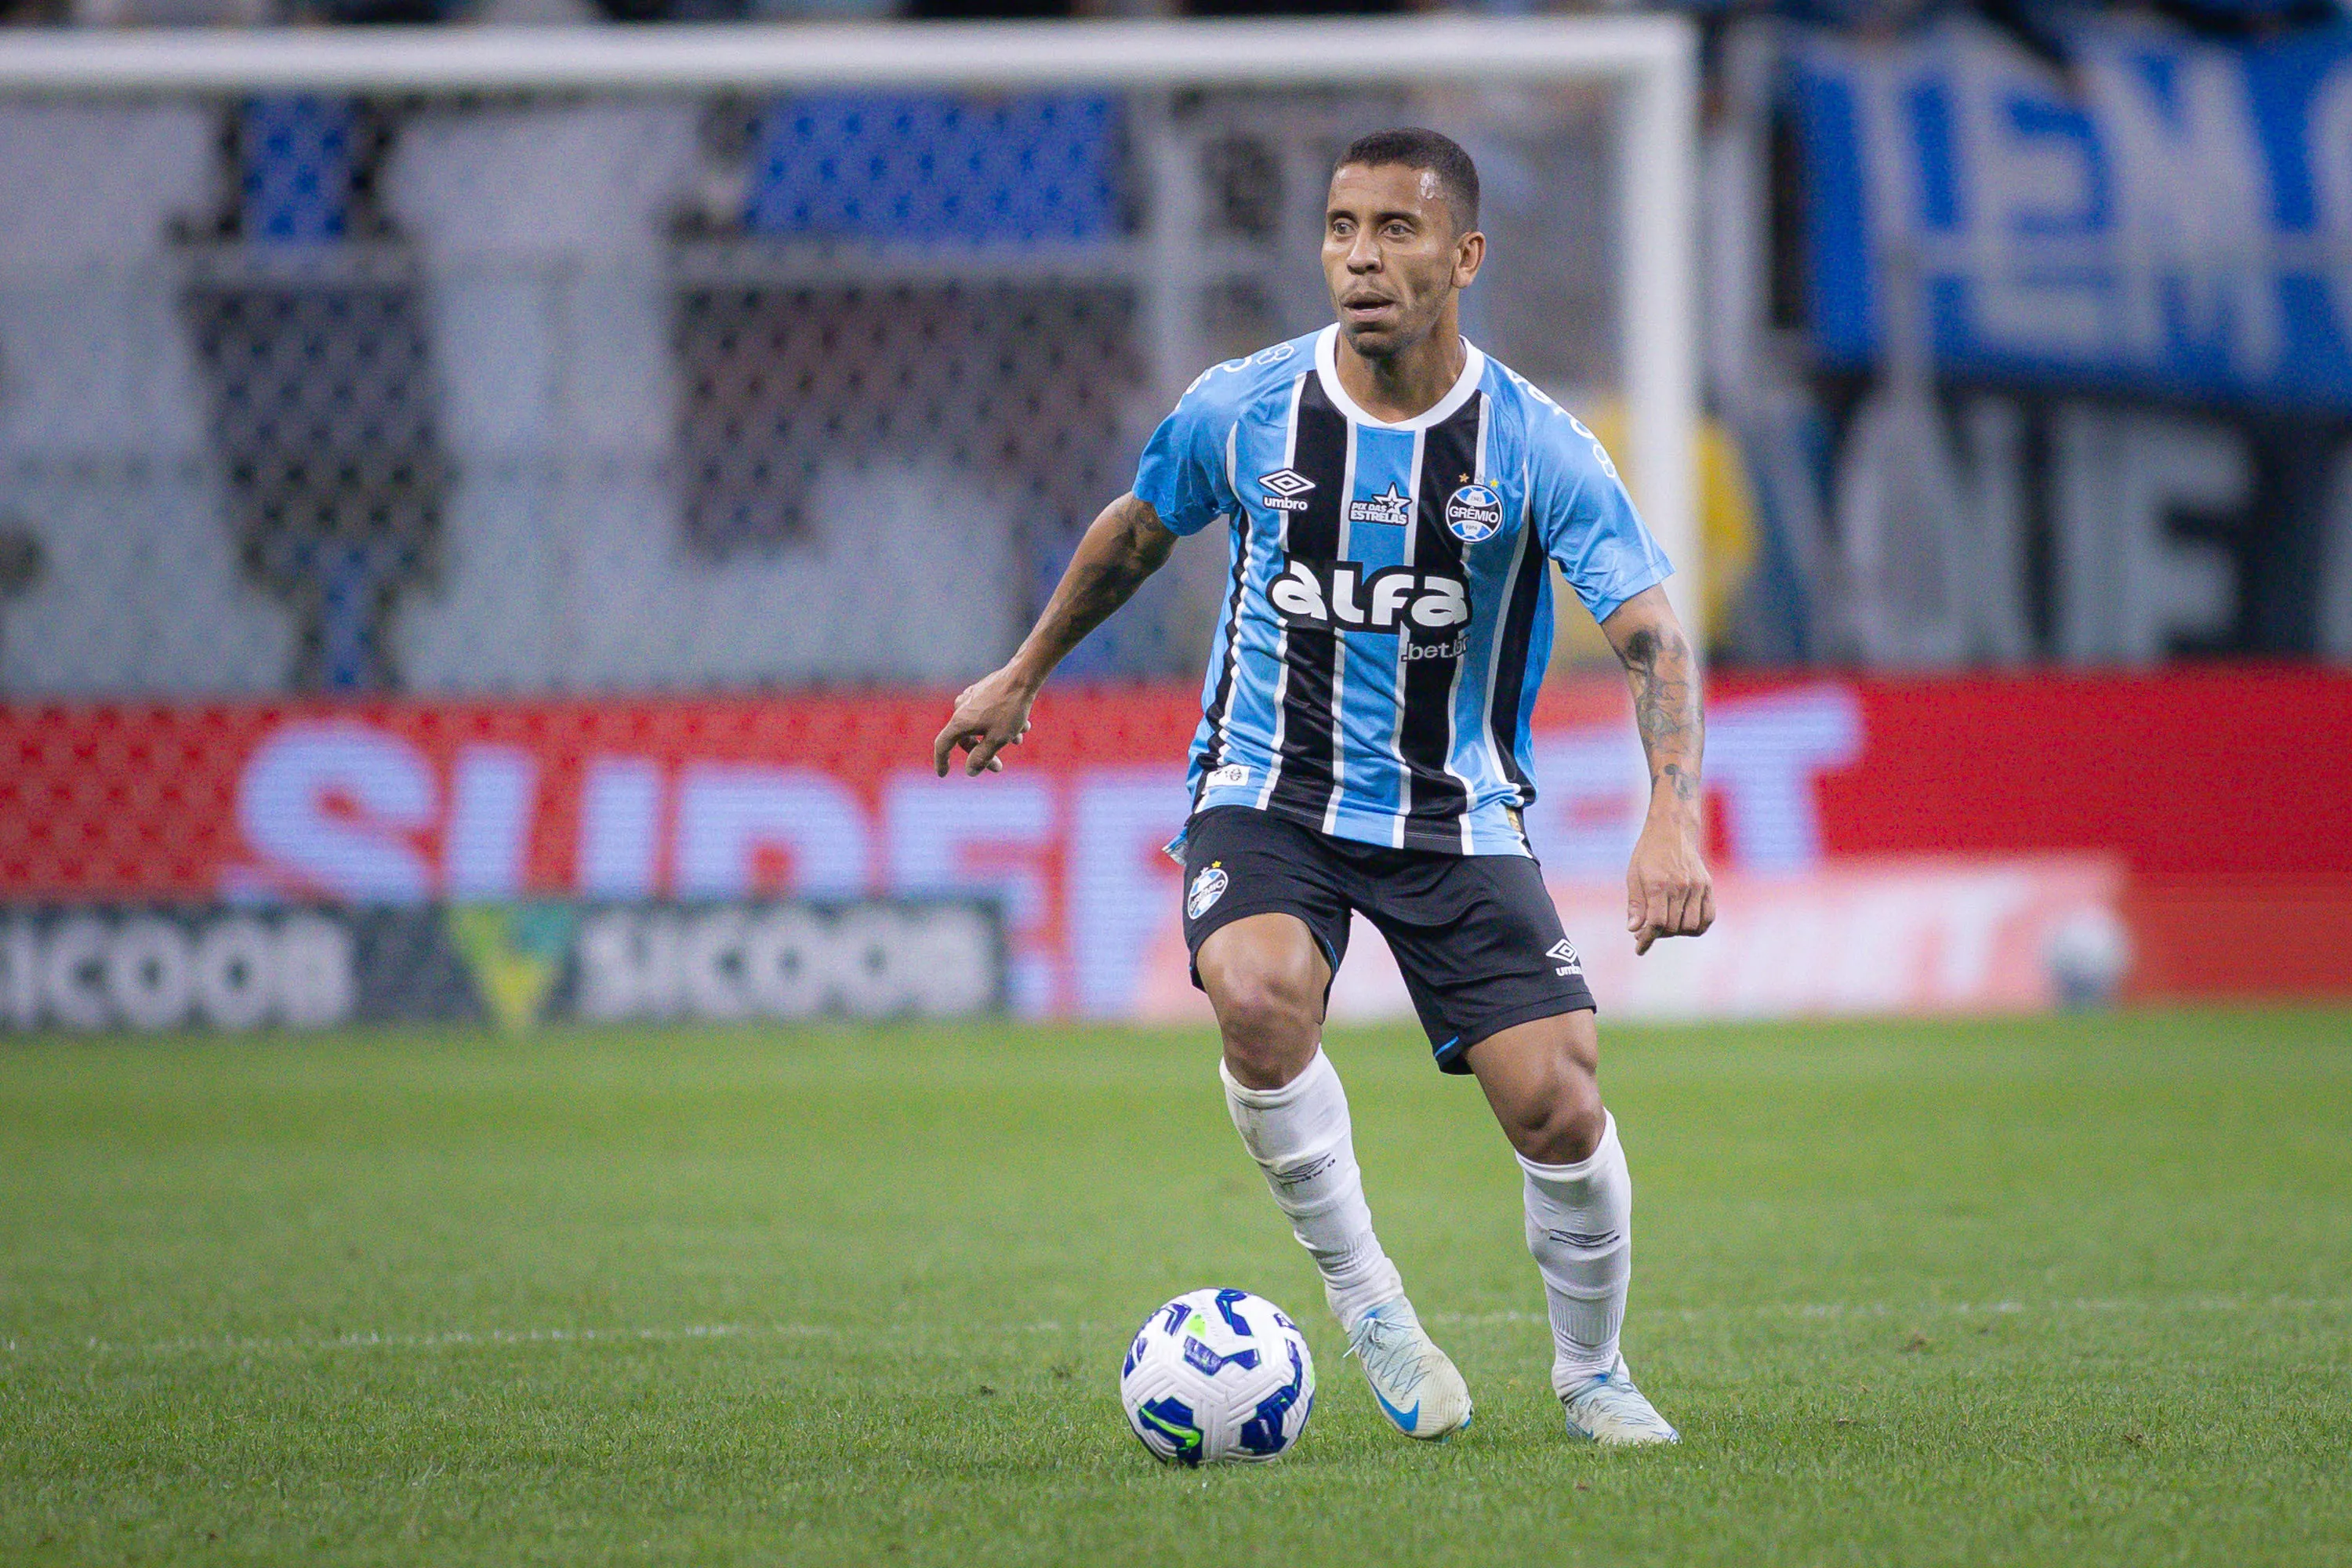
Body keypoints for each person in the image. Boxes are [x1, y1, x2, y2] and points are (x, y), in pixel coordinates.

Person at [932, 127, 1712, 1446]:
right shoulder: (1245, 404)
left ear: (1463, 256)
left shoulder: (1536, 446)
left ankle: (1593, 1374)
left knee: (1558, 1101)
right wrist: (1021, 672)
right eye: (1344, 227)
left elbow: (1650, 637)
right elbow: (1136, 528)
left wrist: (1669, 815)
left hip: (1453, 810)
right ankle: (1370, 1307)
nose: (1362, 256)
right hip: (1268, 788)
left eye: (1397, 230)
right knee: (1255, 995)